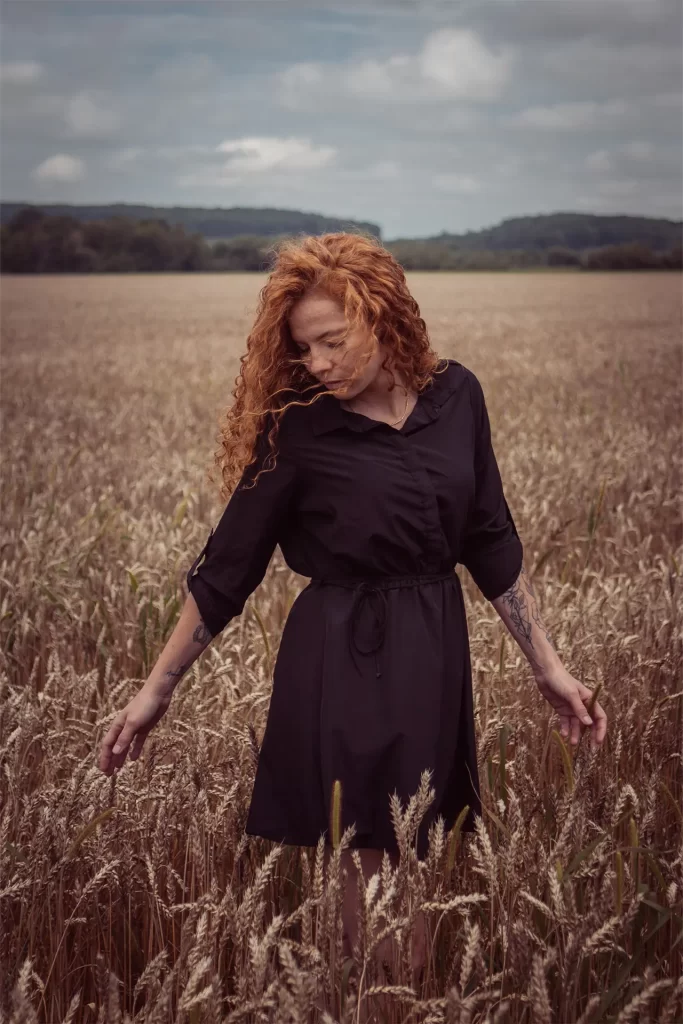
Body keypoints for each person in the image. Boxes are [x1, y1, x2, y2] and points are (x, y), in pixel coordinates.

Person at [98, 232, 608, 990]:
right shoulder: (297, 426)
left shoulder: (458, 397)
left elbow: (490, 541)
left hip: (434, 648)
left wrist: (550, 670)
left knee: (422, 849)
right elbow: (227, 570)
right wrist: (154, 691)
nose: (317, 365)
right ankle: (374, 998)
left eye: (331, 342)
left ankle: (401, 997)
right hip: (339, 653)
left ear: (383, 314)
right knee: (368, 860)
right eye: (303, 350)